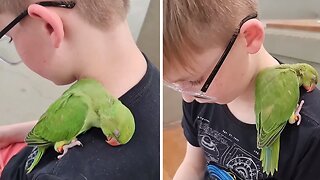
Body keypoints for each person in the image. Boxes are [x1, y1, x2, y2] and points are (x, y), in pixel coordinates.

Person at [0, 0, 160, 179]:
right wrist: (10, 134)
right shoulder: (152, 87)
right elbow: (70, 122)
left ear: (49, 27)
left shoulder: (61, 174)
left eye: (10, 38)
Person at [164, 0, 320, 179]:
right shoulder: (199, 97)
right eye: (175, 85)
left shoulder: (312, 134)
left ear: (249, 37)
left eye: (195, 81)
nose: (187, 98)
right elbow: (192, 165)